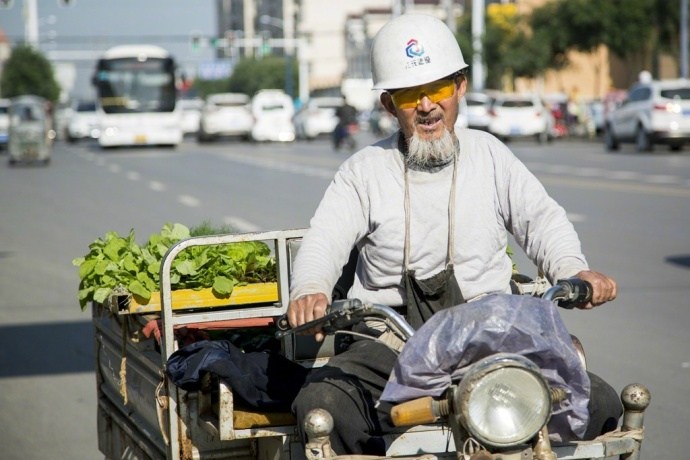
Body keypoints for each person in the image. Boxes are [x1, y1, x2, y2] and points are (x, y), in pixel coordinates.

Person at [288, 13, 621, 456]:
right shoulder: (363, 172)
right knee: (322, 407)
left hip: (489, 335)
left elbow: (541, 220)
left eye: (439, 89)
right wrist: (310, 289)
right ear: (390, 106)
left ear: (460, 87)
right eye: (409, 94)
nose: (426, 105)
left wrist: (574, 269)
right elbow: (324, 238)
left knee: (599, 404)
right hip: (390, 342)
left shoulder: (491, 156)